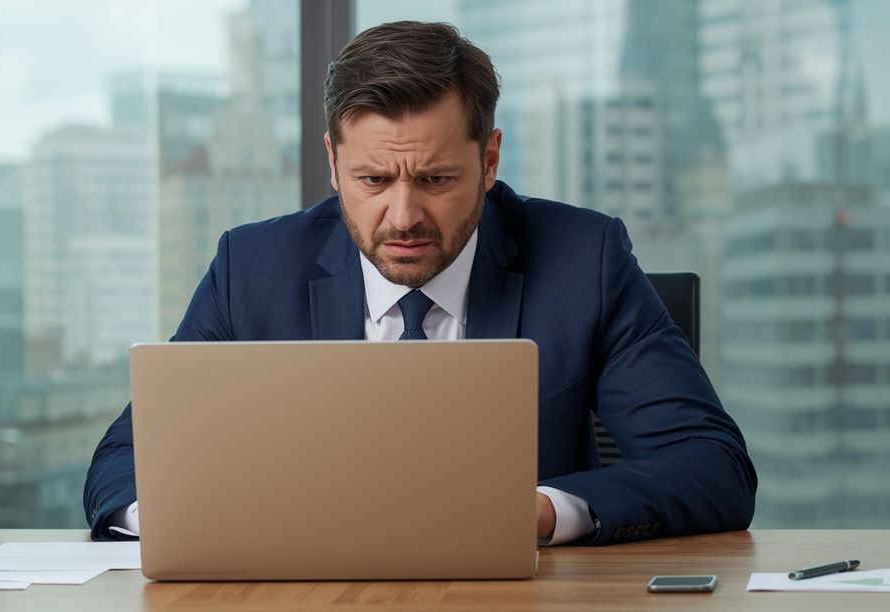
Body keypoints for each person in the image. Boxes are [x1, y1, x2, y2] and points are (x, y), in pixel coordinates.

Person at [84, 21, 757, 546]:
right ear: (332, 162)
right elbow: (124, 462)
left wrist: (542, 512)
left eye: (436, 179)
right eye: (373, 180)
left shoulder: (584, 260)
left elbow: (712, 466)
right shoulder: (252, 269)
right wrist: (195, 524)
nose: (403, 216)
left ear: (489, 160)